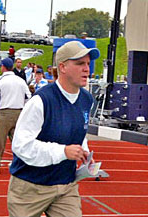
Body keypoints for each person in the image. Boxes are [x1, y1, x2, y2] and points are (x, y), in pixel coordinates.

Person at [7, 41, 99, 217]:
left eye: (88, 63)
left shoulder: (87, 99)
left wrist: (84, 152)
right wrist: (63, 151)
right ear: (62, 67)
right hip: (30, 187)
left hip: (66, 185)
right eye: (80, 63)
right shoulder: (41, 101)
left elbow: (78, 130)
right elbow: (21, 146)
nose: (87, 69)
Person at [0, 58, 31, 175]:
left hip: (4, 112)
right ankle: (19, 163)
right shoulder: (20, 80)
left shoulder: (0, 80)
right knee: (17, 140)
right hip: (19, 112)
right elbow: (28, 97)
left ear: (3, 67)